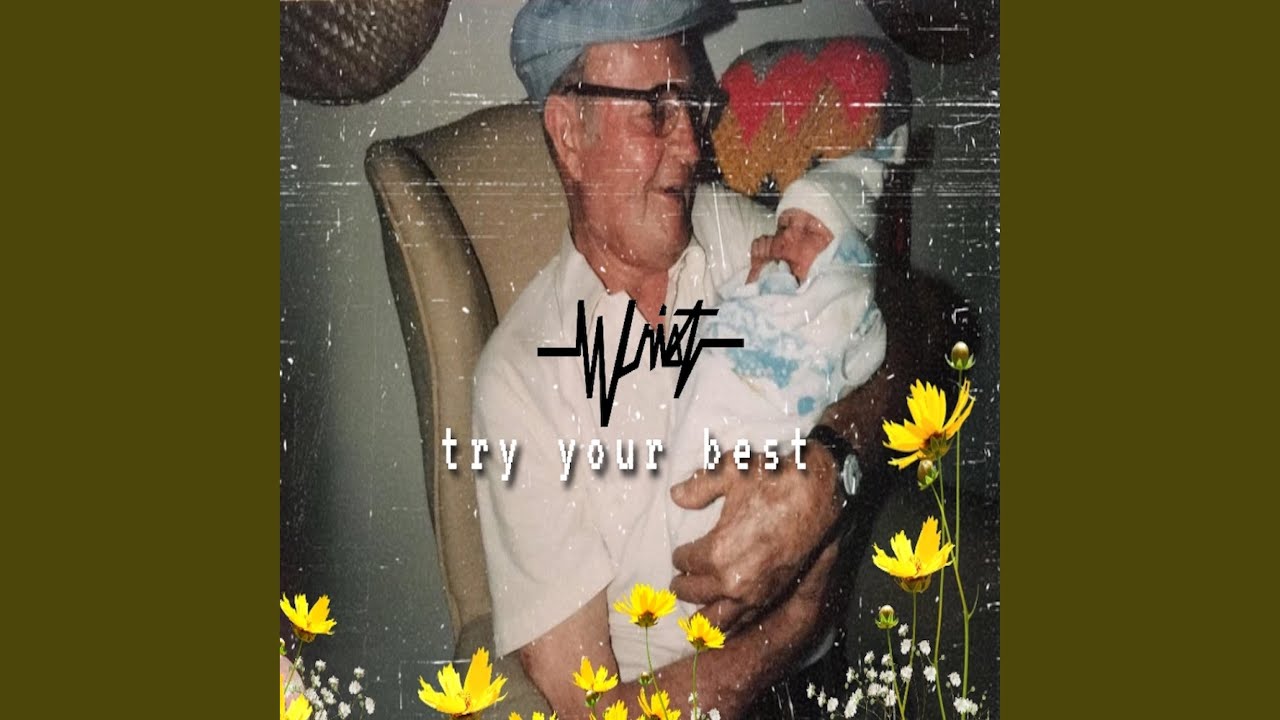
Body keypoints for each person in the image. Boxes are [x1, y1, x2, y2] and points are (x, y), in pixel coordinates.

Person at [472, 2, 932, 717]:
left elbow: (915, 317)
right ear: (569, 134)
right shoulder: (521, 382)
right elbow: (594, 708)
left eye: (692, 105)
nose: (692, 144)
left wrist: (830, 465)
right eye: (657, 111)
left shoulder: (735, 233)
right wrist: (791, 624)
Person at [666, 130, 909, 620]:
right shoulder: (771, 271)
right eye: (784, 224)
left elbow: (865, 345)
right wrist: (757, 281)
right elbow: (725, 327)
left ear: (846, 254)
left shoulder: (843, 294)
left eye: (811, 231)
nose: (787, 239)